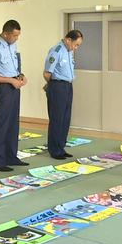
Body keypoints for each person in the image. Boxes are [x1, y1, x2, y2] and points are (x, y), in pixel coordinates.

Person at [0, 19, 28, 172]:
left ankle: (11, 156)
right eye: (14, 35)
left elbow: (13, 68)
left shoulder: (12, 46)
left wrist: (20, 76)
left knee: (12, 123)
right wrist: (10, 80)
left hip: (14, 86)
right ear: (5, 33)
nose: (16, 38)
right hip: (3, 88)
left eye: (18, 36)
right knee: (1, 124)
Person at [43, 30, 83, 160]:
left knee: (65, 118)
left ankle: (61, 147)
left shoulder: (69, 51)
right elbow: (47, 73)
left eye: (78, 46)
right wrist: (52, 86)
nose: (76, 48)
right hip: (57, 86)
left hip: (67, 86)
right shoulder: (56, 51)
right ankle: (54, 149)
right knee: (57, 119)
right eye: (75, 45)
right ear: (68, 40)